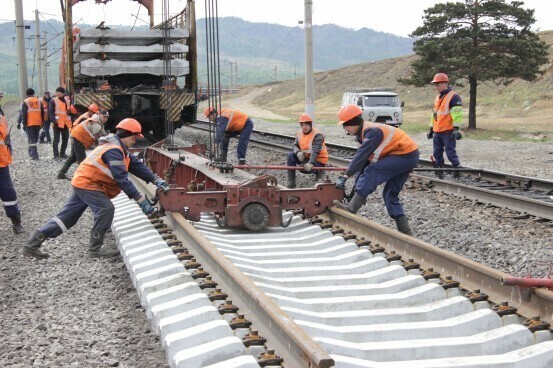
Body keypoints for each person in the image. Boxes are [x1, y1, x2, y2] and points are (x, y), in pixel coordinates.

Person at [21, 118, 169, 260]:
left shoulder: (117, 147)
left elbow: (136, 165)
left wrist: (155, 179)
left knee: (67, 218)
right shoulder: (114, 150)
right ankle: (95, 250)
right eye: (135, 137)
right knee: (106, 209)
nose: (135, 140)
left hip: (84, 182)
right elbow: (121, 178)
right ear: (127, 135)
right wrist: (140, 200)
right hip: (89, 184)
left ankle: (31, 245)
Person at [333, 104, 419, 235]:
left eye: (345, 125)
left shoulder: (372, 132)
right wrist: (353, 192)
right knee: (390, 193)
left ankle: (352, 209)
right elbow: (362, 165)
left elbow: (361, 156)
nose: (345, 129)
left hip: (403, 155)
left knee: (372, 172)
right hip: (409, 155)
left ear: (352, 122)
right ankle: (405, 231)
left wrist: (346, 175)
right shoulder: (363, 134)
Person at [427, 73, 463, 176]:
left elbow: (457, 114)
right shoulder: (438, 97)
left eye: (437, 84)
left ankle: (457, 170)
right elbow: (434, 114)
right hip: (437, 131)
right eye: (435, 84)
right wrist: (431, 128)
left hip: (448, 131)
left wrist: (456, 128)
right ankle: (439, 170)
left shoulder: (454, 97)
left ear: (444, 83)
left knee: (450, 152)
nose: (436, 87)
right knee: (437, 152)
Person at [57, 110, 109, 180]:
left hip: (76, 136)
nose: (105, 119)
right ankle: (82, 178)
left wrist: (107, 136)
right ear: (99, 115)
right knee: (82, 160)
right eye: (104, 117)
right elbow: (100, 138)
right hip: (79, 138)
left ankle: (61, 174)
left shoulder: (97, 120)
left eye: (107, 118)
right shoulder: (96, 123)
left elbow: (103, 134)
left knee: (73, 157)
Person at [286, 113, 328, 188]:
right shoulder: (300, 133)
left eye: (306, 124)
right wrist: (298, 152)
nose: (304, 127)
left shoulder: (317, 135)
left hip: (318, 160)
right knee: (290, 156)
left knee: (303, 168)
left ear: (310, 125)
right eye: (302, 125)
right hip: (306, 157)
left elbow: (316, 151)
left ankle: (319, 171)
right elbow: (295, 145)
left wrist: (311, 163)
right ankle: (291, 182)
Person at [0, 113, 24, 234]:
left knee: (8, 193)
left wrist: (8, 156)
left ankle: (16, 221)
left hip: (1, 164)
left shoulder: (1, 117)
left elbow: (6, 140)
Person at [49, 86, 77, 160]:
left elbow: (69, 112)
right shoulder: (53, 100)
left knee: (65, 139)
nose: (57, 93)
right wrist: (53, 121)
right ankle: (56, 155)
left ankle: (62, 153)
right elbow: (51, 112)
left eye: (59, 92)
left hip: (65, 123)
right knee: (56, 140)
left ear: (63, 93)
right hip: (57, 123)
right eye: (57, 92)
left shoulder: (67, 101)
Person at [21, 88, 45, 160]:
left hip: (30, 123)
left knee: (32, 140)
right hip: (38, 123)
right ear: (33, 93)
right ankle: (31, 153)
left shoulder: (25, 102)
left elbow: (24, 114)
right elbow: (42, 113)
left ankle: (35, 155)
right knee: (34, 139)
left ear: (26, 94)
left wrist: (24, 124)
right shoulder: (39, 101)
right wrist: (42, 122)